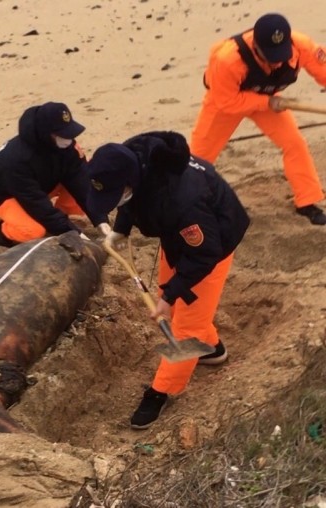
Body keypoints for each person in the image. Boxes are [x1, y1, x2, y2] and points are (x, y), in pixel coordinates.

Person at [86, 131, 250, 429]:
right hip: (178, 237)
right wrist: (121, 230)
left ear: (130, 182)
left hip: (213, 246)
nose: (113, 202)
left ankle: (161, 392)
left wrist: (169, 295)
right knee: (175, 308)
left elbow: (204, 255)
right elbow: (129, 203)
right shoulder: (134, 161)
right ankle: (213, 350)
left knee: (187, 325)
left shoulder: (184, 200)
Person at [190, 12, 326, 226]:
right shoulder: (227, 59)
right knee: (198, 158)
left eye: (281, 56)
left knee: (294, 143)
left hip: (266, 99)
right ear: (256, 46)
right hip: (227, 102)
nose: (277, 64)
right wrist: (266, 103)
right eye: (271, 58)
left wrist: (266, 102)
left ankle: (307, 201)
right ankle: (185, 200)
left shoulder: (302, 47)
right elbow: (226, 101)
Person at [0, 102, 106, 246]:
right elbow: (35, 202)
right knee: (33, 232)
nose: (68, 139)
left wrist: (101, 222)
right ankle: (4, 233)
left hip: (45, 185)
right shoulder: (14, 161)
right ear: (45, 133)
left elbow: (81, 181)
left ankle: (56, 222)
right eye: (62, 134)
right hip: (10, 196)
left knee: (86, 182)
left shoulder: (65, 145)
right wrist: (74, 233)